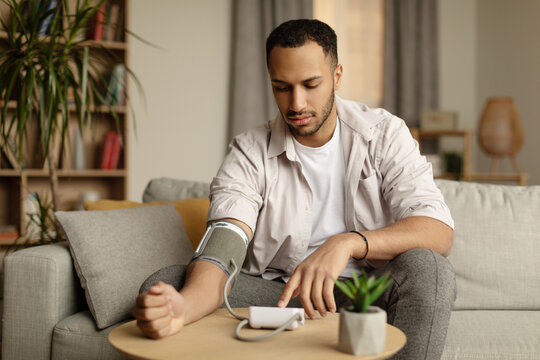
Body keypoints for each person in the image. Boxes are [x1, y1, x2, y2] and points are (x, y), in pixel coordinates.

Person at [133, 19, 456, 359]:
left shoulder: (385, 134)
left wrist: (348, 243)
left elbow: (438, 232)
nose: (296, 104)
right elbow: (224, 244)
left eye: (311, 84)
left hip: (366, 293)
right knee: (169, 282)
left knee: (429, 269)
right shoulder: (249, 151)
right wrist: (181, 307)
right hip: (280, 297)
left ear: (337, 76)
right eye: (282, 87)